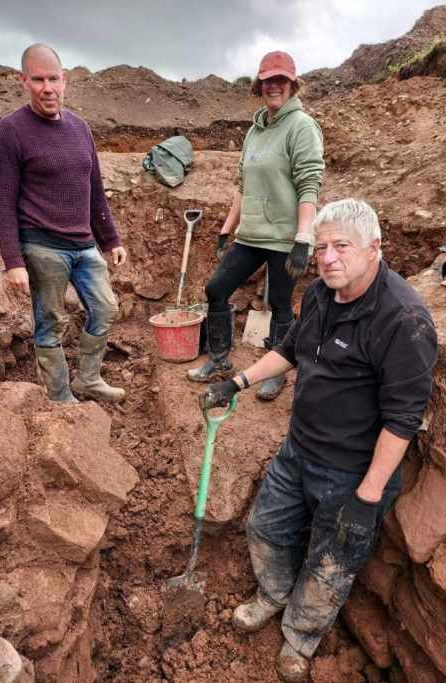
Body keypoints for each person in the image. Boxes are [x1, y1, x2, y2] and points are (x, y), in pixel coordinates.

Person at [200, 199, 437, 682]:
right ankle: (271, 595)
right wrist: (238, 383)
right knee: (265, 528)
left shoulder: (404, 322)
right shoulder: (320, 295)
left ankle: (300, 637)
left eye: (341, 246)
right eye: (321, 246)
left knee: (331, 563)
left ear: (374, 249)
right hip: (298, 450)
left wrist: (368, 497)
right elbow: (290, 349)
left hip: (352, 473)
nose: (327, 257)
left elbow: (402, 419)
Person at [0, 43, 128, 404]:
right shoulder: (10, 131)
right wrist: (13, 262)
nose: (47, 87)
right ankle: (59, 395)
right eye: (38, 79)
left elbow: (94, 189)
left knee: (106, 308)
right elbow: (3, 202)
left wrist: (111, 240)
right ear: (23, 81)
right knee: (51, 321)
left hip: (84, 245)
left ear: (64, 80)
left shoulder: (81, 128)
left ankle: (88, 379)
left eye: (53, 78)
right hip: (42, 245)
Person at [188, 51, 325, 400]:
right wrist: (225, 228)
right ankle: (219, 360)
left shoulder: (302, 127)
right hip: (250, 236)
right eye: (268, 80)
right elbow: (243, 186)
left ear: (293, 85)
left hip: (284, 239)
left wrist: (303, 237)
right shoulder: (253, 131)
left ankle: (276, 373)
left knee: (280, 304)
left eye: (281, 80)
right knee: (216, 289)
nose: (274, 86)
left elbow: (310, 183)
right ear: (259, 85)